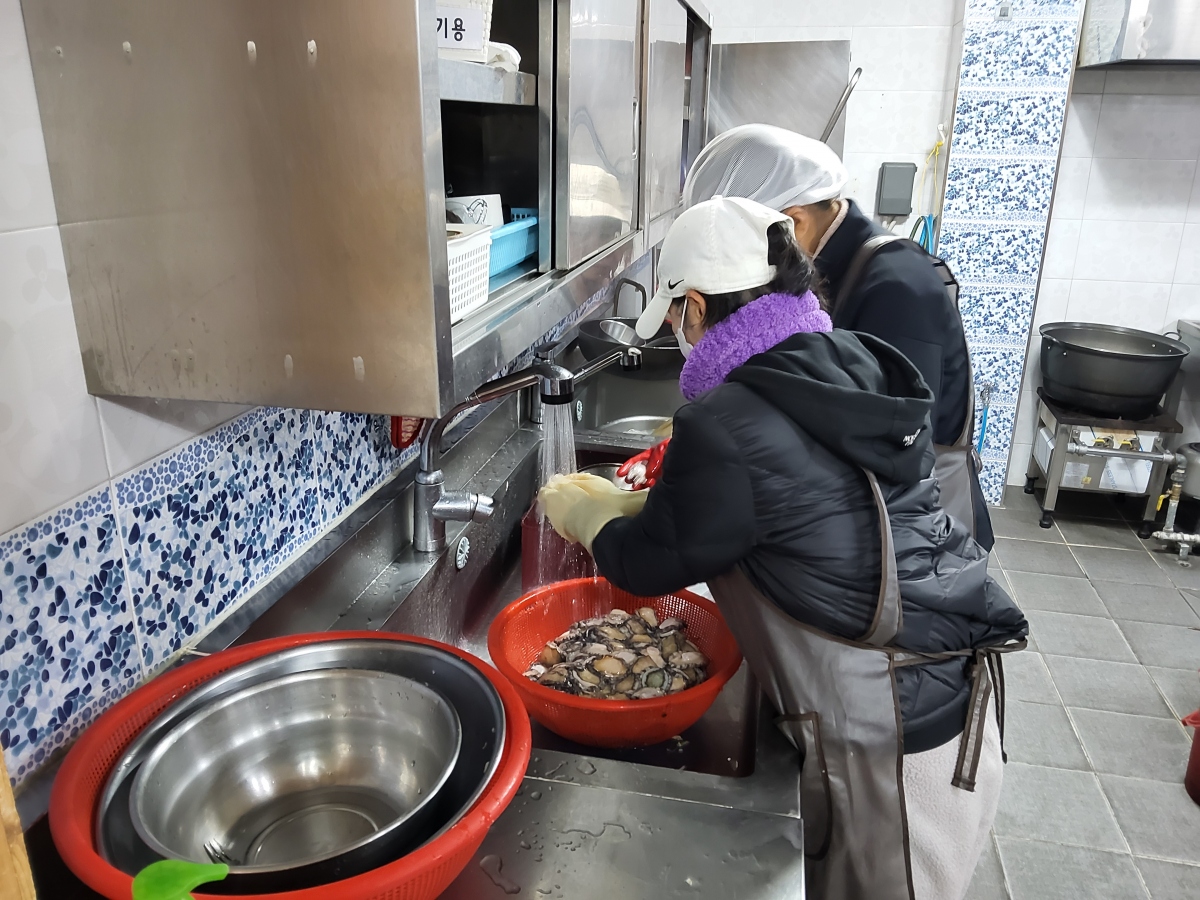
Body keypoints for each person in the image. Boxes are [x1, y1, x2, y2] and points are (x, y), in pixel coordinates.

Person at [539, 197, 1027, 900]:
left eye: (675, 316)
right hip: (951, 703)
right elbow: (793, 498)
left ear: (695, 307)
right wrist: (647, 503)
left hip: (891, 752)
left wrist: (588, 515)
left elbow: (647, 564)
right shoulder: (845, 358)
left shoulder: (726, 420)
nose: (677, 332)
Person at [676, 124, 993, 550]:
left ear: (793, 223)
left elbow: (898, 445)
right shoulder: (824, 274)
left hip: (916, 548)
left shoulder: (897, 289)